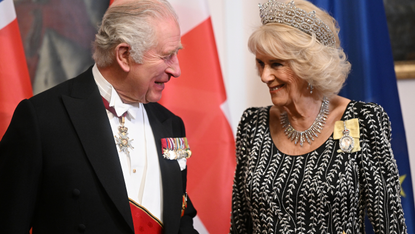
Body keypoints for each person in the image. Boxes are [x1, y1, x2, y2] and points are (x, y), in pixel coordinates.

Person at [0, 0, 199, 233]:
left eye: (176, 54)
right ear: (124, 55)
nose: (176, 70)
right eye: (167, 56)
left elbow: (181, 217)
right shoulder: (42, 119)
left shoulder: (171, 124)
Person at [230, 0, 408, 233]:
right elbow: (240, 223)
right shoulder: (253, 124)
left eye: (276, 64)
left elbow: (390, 225)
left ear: (308, 65)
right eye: (260, 63)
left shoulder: (362, 120)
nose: (265, 76)